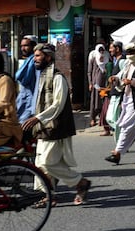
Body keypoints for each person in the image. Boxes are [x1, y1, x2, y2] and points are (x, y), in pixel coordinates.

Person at [23, 43, 90, 206]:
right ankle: (46, 195)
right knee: (40, 163)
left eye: (38, 56)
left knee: (46, 162)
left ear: (48, 57)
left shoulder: (57, 76)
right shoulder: (43, 74)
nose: (35, 59)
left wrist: (38, 118)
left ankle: (80, 182)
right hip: (44, 126)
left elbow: (58, 104)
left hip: (55, 126)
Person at [105, 46, 135, 164]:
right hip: (128, 100)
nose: (130, 55)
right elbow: (120, 76)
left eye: (132, 52)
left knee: (127, 126)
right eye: (128, 52)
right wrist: (114, 79)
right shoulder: (128, 64)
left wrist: (132, 82)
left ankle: (117, 152)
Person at [15, 35, 37, 123]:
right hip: (24, 97)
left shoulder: (33, 61)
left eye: (26, 46)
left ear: (33, 46)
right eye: (22, 46)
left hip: (30, 98)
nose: (23, 48)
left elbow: (23, 79)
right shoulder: (28, 60)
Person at [87, 42, 108, 128]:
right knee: (94, 100)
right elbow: (89, 72)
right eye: (100, 50)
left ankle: (101, 117)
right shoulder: (93, 58)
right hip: (95, 84)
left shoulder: (106, 58)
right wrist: (90, 83)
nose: (101, 52)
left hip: (104, 83)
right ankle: (93, 118)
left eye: (102, 50)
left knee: (102, 99)